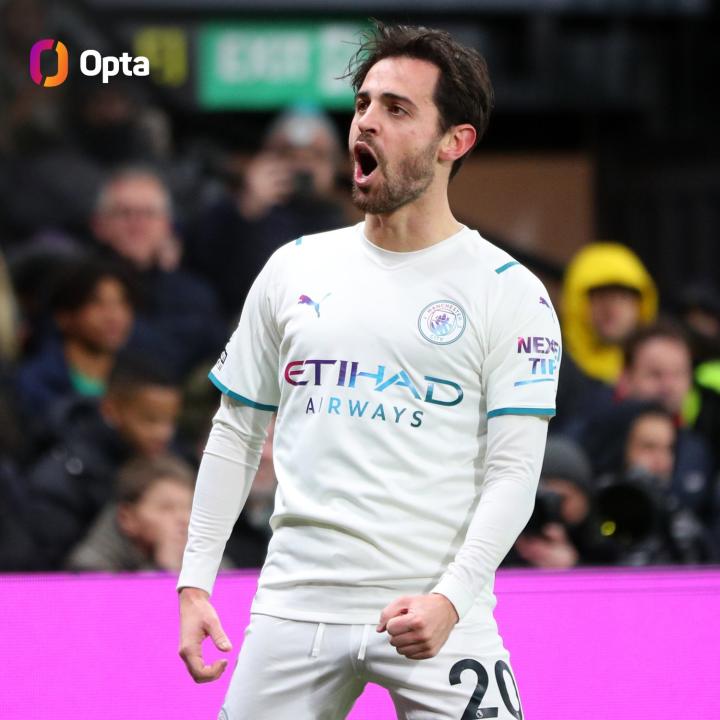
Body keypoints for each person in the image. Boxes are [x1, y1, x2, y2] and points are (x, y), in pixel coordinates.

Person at [177, 22, 560, 719]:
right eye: (363, 104)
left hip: (438, 610)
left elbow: (514, 475)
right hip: (294, 607)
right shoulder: (294, 267)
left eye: (397, 108)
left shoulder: (509, 292)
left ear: (454, 141)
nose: (367, 122)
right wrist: (195, 582)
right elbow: (235, 432)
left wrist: (451, 600)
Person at [20, 354, 182, 569]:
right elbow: (51, 570)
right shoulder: (66, 478)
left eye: (170, 421)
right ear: (111, 410)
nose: (164, 433)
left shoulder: (175, 466)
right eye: (150, 420)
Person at [91, 166, 227, 376]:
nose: (137, 224)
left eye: (149, 214)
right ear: (99, 225)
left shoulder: (196, 295)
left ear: (167, 226)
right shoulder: (80, 291)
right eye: (124, 213)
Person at [553, 241, 657, 436]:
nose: (612, 309)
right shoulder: (554, 367)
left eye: (623, 297)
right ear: (576, 302)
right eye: (600, 297)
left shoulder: (660, 369)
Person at [15, 257, 135, 421]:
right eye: (96, 303)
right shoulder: (34, 383)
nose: (114, 317)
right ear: (63, 317)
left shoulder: (140, 379)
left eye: (122, 303)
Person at [66, 454, 195, 573]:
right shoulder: (91, 570)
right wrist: (164, 570)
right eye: (166, 508)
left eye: (189, 508)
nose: (184, 519)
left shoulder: (198, 555)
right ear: (127, 518)